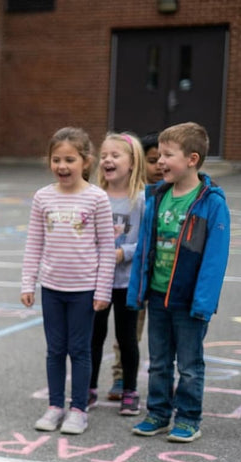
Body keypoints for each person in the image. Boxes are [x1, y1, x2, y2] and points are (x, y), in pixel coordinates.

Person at [127, 121, 230, 443]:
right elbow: (144, 247)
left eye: (168, 155)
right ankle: (158, 412)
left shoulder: (210, 202)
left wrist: (203, 302)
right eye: (159, 155)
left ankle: (188, 418)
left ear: (192, 159)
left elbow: (215, 259)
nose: (159, 162)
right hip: (158, 296)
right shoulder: (157, 197)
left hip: (189, 301)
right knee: (158, 361)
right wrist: (137, 291)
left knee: (189, 365)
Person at [21, 127, 115, 435]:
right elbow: (34, 242)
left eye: (70, 160)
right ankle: (55, 406)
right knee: (55, 350)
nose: (63, 166)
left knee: (80, 350)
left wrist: (103, 290)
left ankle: (79, 409)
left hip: (84, 290)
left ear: (86, 162)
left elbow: (105, 247)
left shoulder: (97, 198)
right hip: (52, 289)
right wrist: (28, 283)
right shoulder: (43, 197)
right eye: (56, 159)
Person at [90, 132, 145, 416]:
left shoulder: (141, 200)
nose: (107, 160)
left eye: (115, 155)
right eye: (104, 156)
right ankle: (87, 389)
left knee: (127, 339)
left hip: (126, 282)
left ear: (133, 162)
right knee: (93, 337)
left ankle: (130, 390)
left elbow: (146, 241)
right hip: (96, 281)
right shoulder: (94, 197)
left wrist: (123, 252)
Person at [106, 132, 160, 400]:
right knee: (128, 333)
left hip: (154, 274)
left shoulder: (146, 198)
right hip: (125, 278)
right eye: (153, 160)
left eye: (164, 159)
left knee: (159, 334)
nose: (159, 166)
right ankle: (120, 377)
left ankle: (162, 379)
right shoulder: (128, 195)